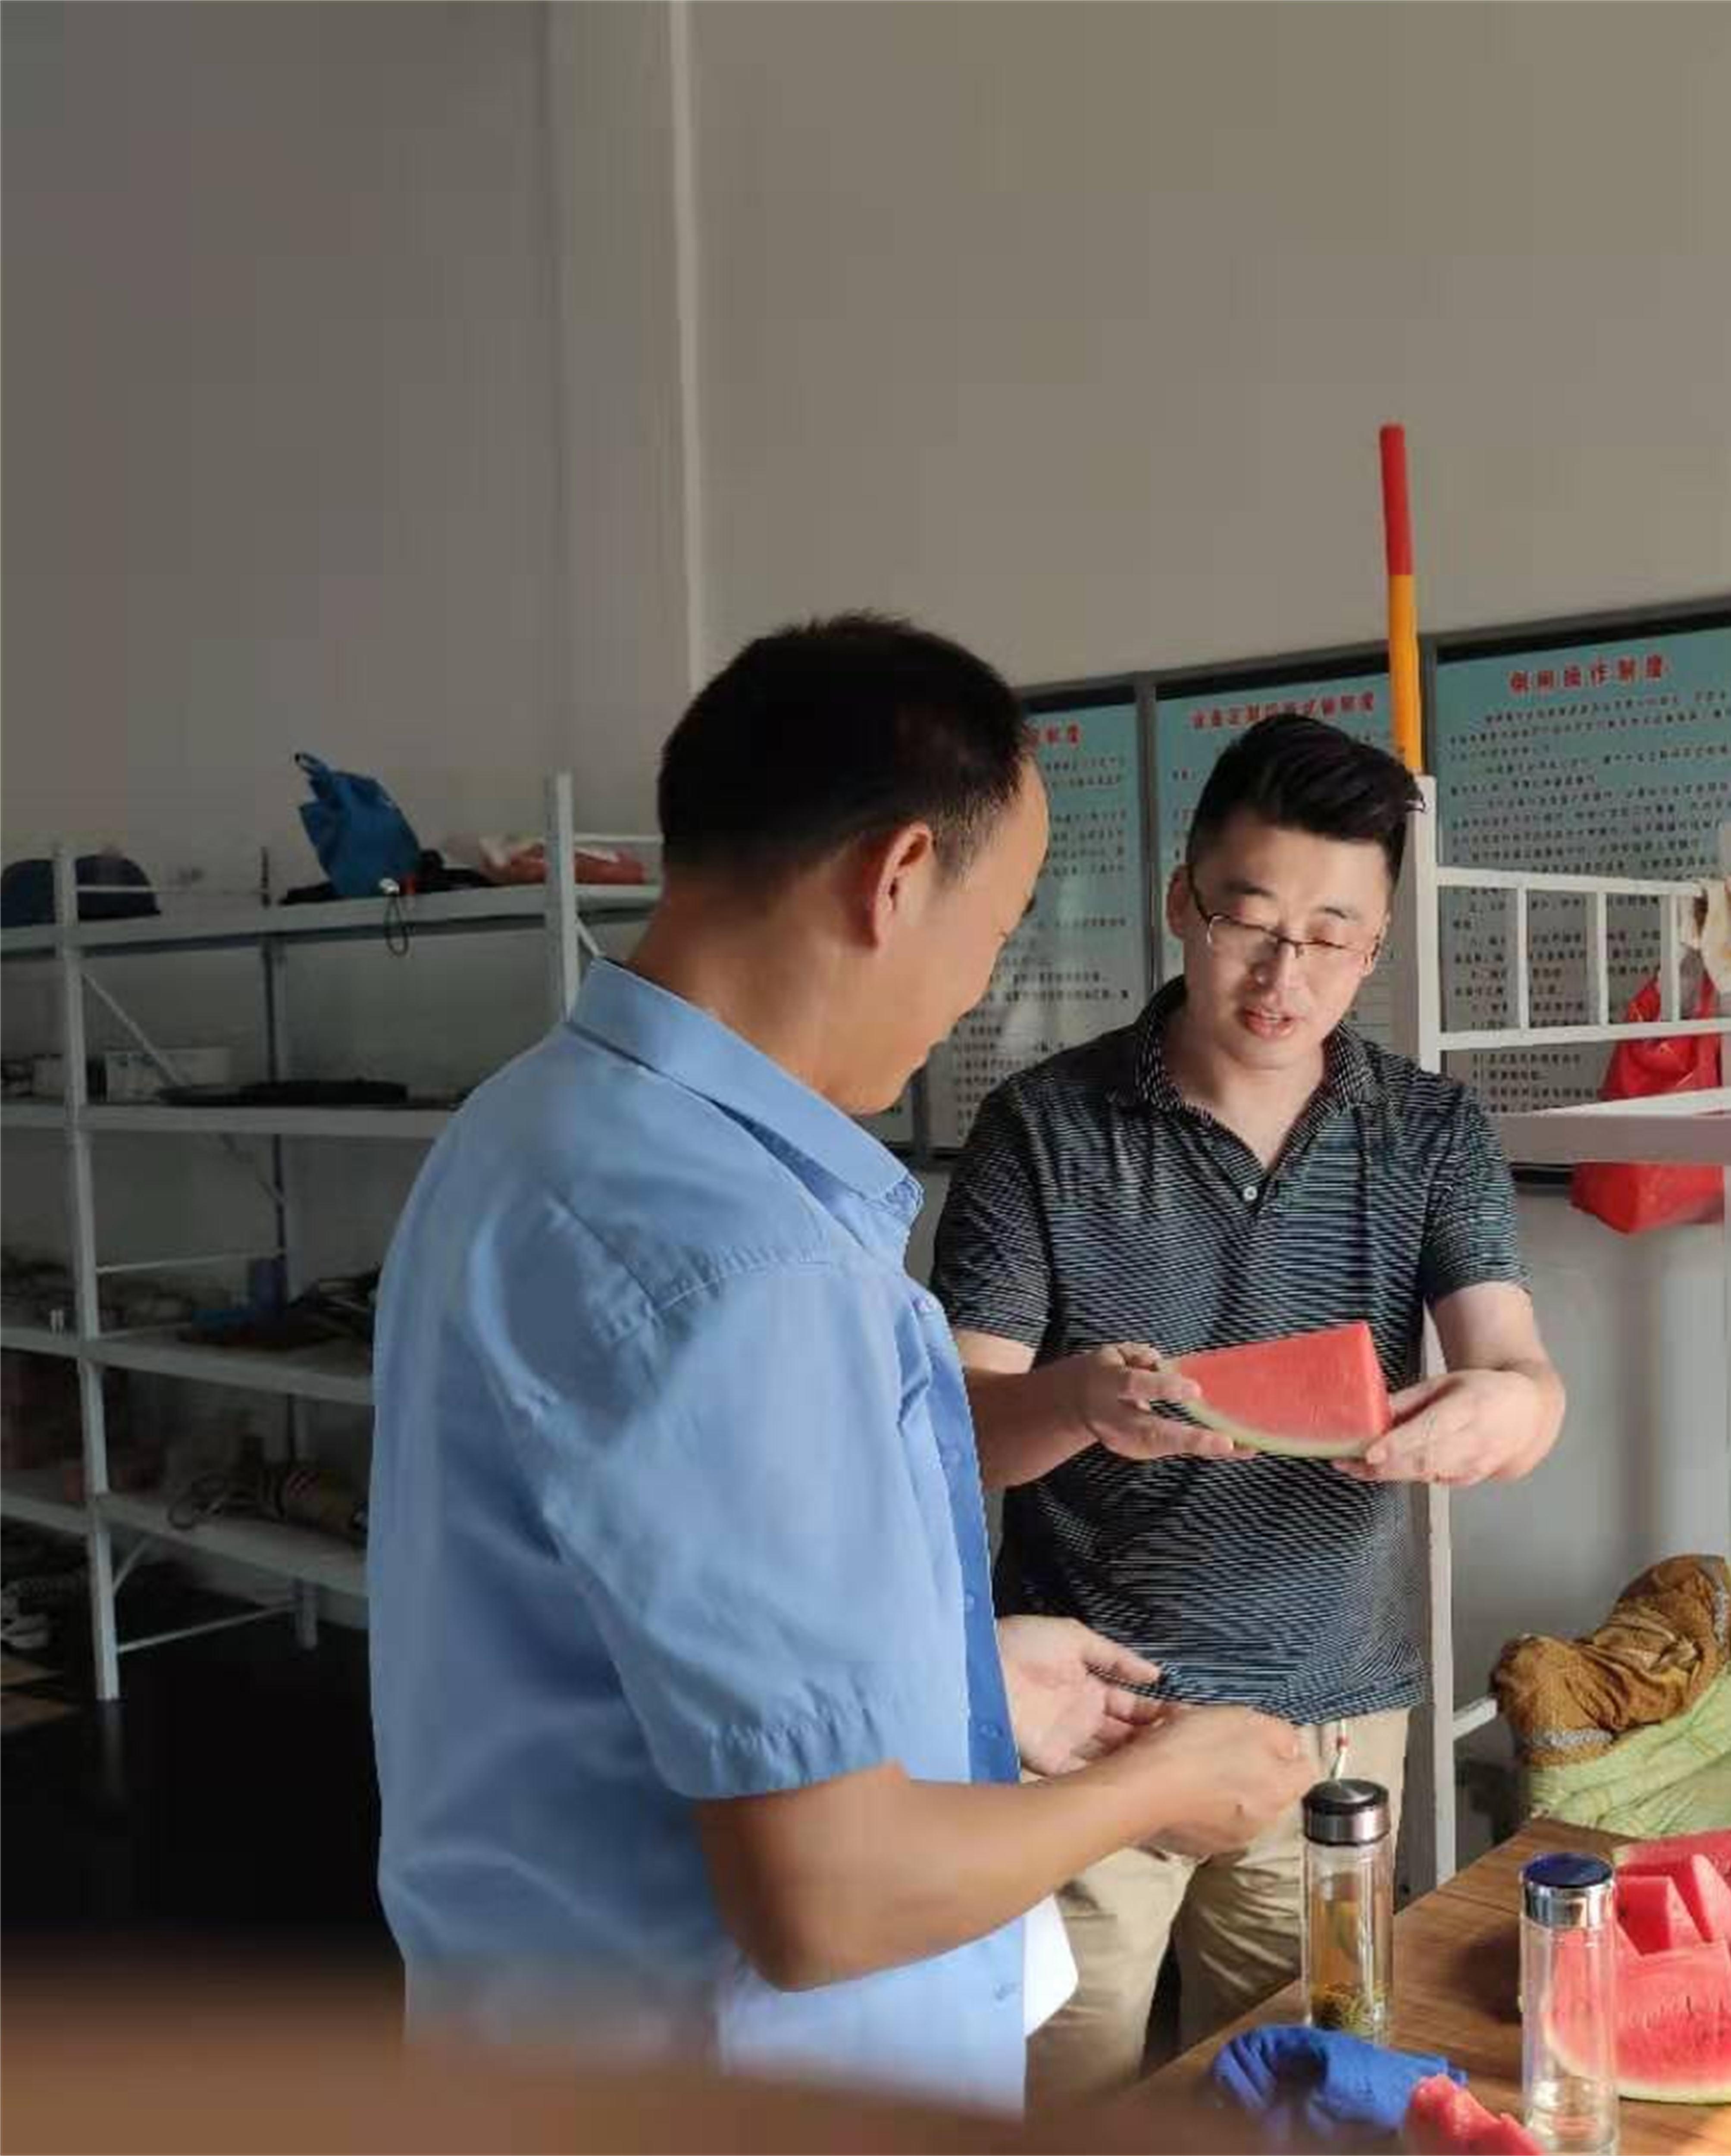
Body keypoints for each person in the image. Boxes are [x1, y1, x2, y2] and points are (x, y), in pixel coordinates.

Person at [369, 615, 1314, 2112]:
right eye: (994, 933)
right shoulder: (750, 1264)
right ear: (897, 877)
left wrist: (959, 1685)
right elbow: (832, 1897)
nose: (977, 990)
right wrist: (1160, 1786)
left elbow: (630, 1620)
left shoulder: (529, 1128)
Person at [932, 713, 1566, 2094]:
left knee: (1297, 2091)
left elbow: (1519, 1374)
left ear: (1376, 944)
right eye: (1250, 922)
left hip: (1328, 1726)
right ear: (1183, 900)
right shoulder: (1041, 1126)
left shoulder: (1429, 1129)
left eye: (1333, 937)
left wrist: (1500, 1415)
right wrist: (1083, 1403)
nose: (1287, 976)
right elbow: (954, 1435)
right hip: (1086, 1725)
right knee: (1062, 2095)